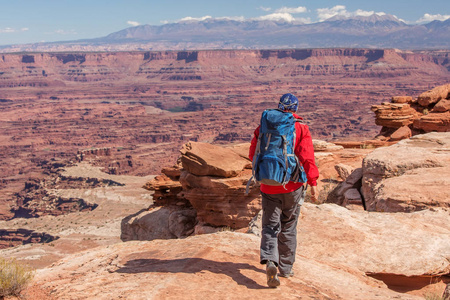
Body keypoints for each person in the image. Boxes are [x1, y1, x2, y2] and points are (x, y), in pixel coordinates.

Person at [248, 93, 319, 288]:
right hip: (292, 186)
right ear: (296, 108)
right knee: (288, 226)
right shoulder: (301, 127)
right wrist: (313, 182)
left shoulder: (264, 125)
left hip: (269, 185)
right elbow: (307, 157)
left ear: (279, 106)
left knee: (270, 227)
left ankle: (271, 261)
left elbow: (252, 153)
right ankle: (286, 269)